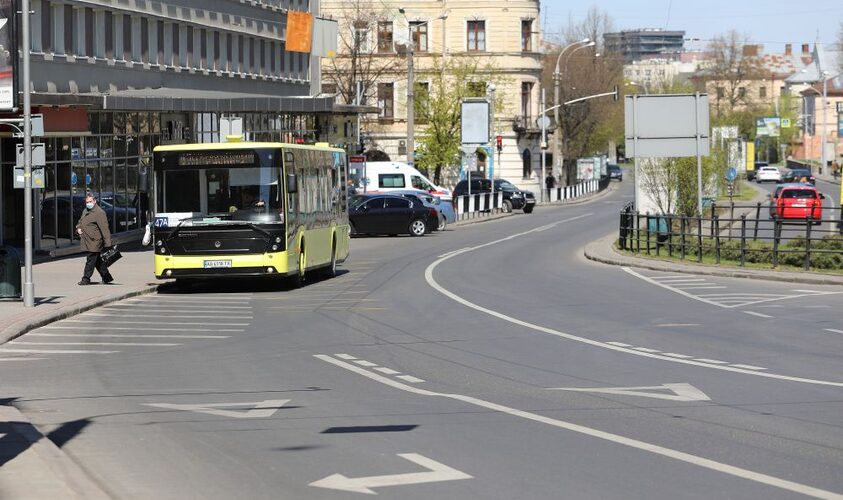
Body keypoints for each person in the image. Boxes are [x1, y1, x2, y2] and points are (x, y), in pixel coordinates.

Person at [76, 193, 114, 285]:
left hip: (95, 241)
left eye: (90, 201)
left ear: (94, 201)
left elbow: (105, 229)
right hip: (87, 240)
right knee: (97, 261)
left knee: (90, 259)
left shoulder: (99, 212)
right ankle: (107, 277)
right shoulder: (85, 211)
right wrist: (78, 228)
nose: (88, 203)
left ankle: (86, 279)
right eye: (87, 202)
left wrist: (108, 244)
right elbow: (80, 221)